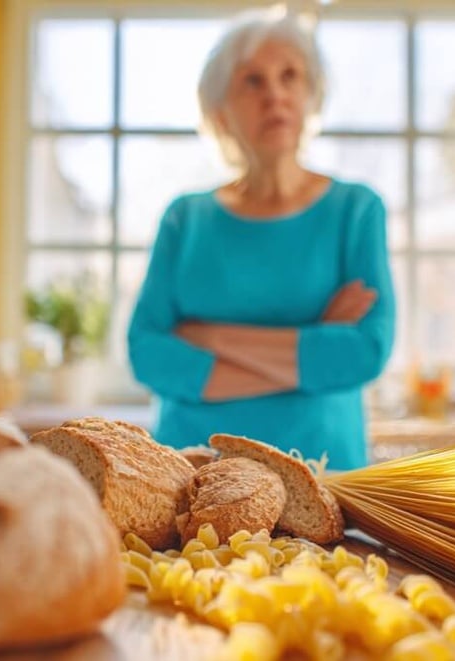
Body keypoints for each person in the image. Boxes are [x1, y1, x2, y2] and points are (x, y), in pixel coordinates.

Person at [127, 9, 396, 471]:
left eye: (290, 76)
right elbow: (148, 355)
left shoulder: (356, 210)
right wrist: (315, 342)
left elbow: (364, 353)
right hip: (191, 472)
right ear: (220, 113)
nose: (275, 94)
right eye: (252, 81)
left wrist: (211, 337)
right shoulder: (185, 218)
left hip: (324, 471)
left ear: (311, 95)